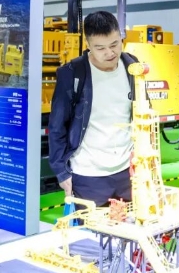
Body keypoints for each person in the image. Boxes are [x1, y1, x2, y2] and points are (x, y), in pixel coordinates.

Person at [48, 11, 139, 207]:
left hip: (128, 172)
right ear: (88, 45)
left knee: (130, 224)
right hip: (88, 175)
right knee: (91, 227)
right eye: (100, 48)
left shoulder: (132, 66)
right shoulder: (72, 74)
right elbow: (57, 126)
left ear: (121, 37)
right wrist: (61, 172)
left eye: (114, 44)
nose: (110, 53)